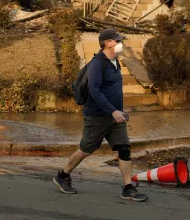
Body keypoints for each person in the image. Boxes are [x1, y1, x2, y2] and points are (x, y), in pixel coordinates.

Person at [53, 28, 148, 202]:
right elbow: (95, 91)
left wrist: (118, 111)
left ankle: (127, 188)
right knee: (85, 150)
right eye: (117, 40)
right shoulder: (97, 64)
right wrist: (112, 111)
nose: (120, 43)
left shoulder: (115, 61)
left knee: (124, 149)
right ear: (107, 43)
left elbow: (111, 89)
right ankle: (62, 175)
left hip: (115, 117)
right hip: (97, 116)